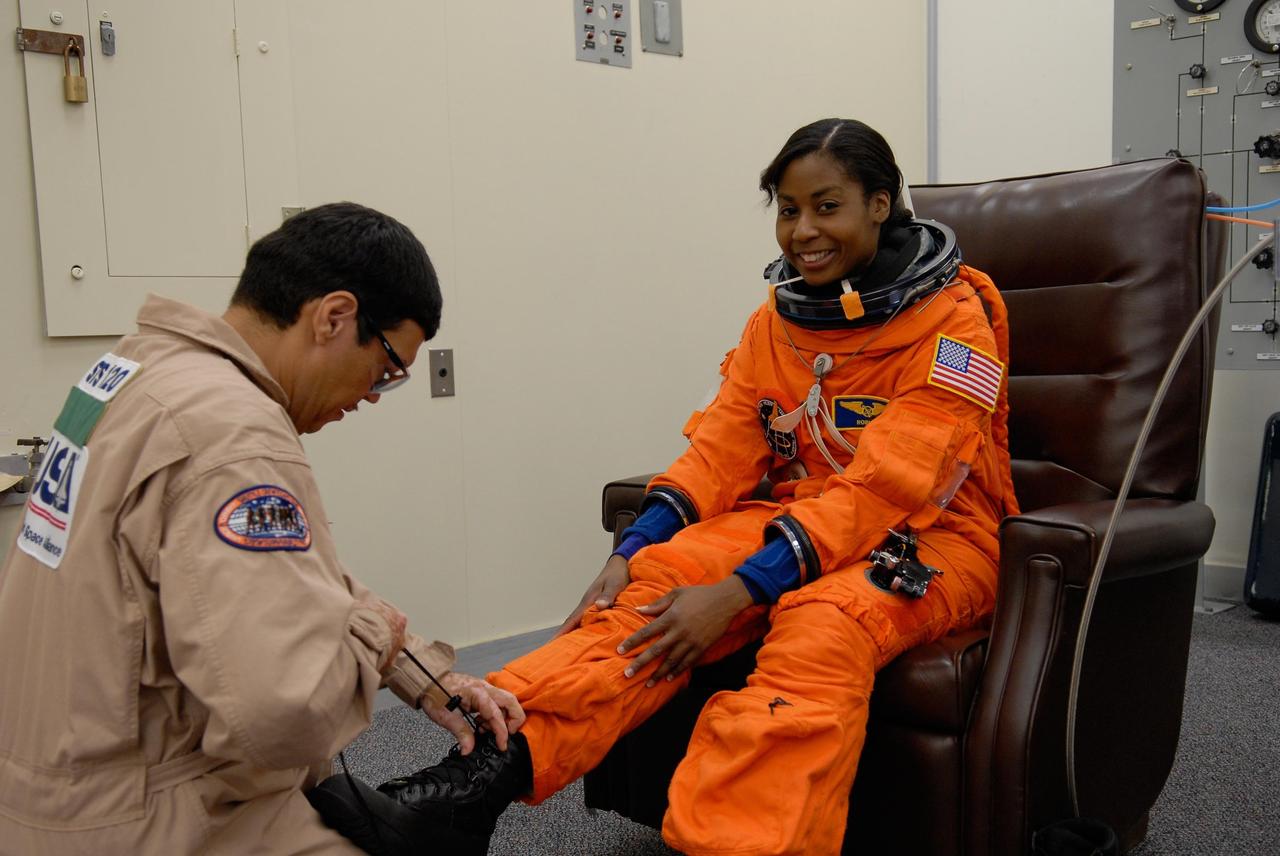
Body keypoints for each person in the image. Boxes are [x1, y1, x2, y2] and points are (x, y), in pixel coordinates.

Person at [316, 119, 1019, 855]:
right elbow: (720, 454)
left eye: (826, 206)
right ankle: (467, 787)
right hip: (802, 519)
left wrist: (742, 589)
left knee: (823, 628)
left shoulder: (955, 326)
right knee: (652, 588)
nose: (802, 230)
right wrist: (634, 547)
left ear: (880, 204)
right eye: (786, 209)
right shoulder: (776, 324)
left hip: (934, 536)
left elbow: (886, 491)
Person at [0, 202, 524, 854]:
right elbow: (283, 717)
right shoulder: (234, 436)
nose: (371, 396)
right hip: (151, 817)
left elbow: (265, 580)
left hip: (48, 792)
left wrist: (424, 674)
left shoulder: (132, 376)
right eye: (387, 369)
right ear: (333, 317)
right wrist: (373, 645)